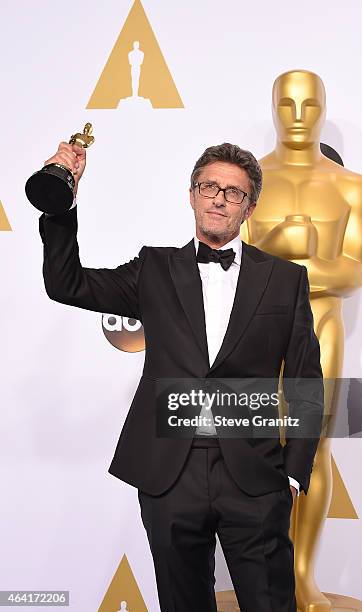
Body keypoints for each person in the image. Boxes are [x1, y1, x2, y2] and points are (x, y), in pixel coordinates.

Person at [38, 141, 323, 612]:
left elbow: (306, 386)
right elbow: (66, 284)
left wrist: (292, 475)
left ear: (250, 207)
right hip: (171, 474)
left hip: (255, 476)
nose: (218, 198)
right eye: (209, 186)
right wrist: (61, 201)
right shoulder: (155, 267)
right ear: (191, 195)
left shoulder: (285, 279)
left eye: (233, 192)